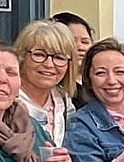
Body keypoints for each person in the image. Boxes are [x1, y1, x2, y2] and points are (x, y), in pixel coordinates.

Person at [15, 19, 78, 147]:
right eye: (39, 55)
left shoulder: (64, 101)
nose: (49, 64)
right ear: (21, 57)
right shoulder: (8, 100)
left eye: (59, 58)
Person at [51, 11, 94, 107]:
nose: (80, 47)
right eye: (73, 41)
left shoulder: (96, 82)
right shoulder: (53, 88)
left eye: (85, 42)